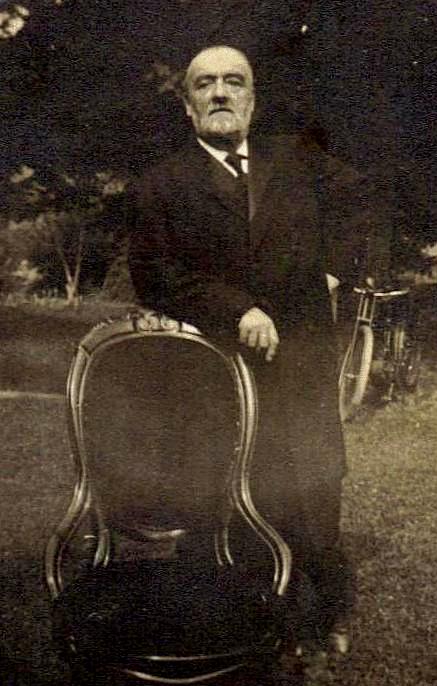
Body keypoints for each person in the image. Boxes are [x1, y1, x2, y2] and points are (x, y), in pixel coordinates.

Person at [128, 45, 360, 646]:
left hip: (301, 360)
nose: (220, 93)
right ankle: (245, 621)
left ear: (253, 99)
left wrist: (335, 271)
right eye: (205, 84)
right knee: (230, 491)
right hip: (218, 369)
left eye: (235, 82)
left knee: (313, 483)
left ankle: (328, 609)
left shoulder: (300, 160)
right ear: (188, 105)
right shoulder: (160, 185)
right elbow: (156, 275)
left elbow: (364, 208)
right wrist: (237, 309)